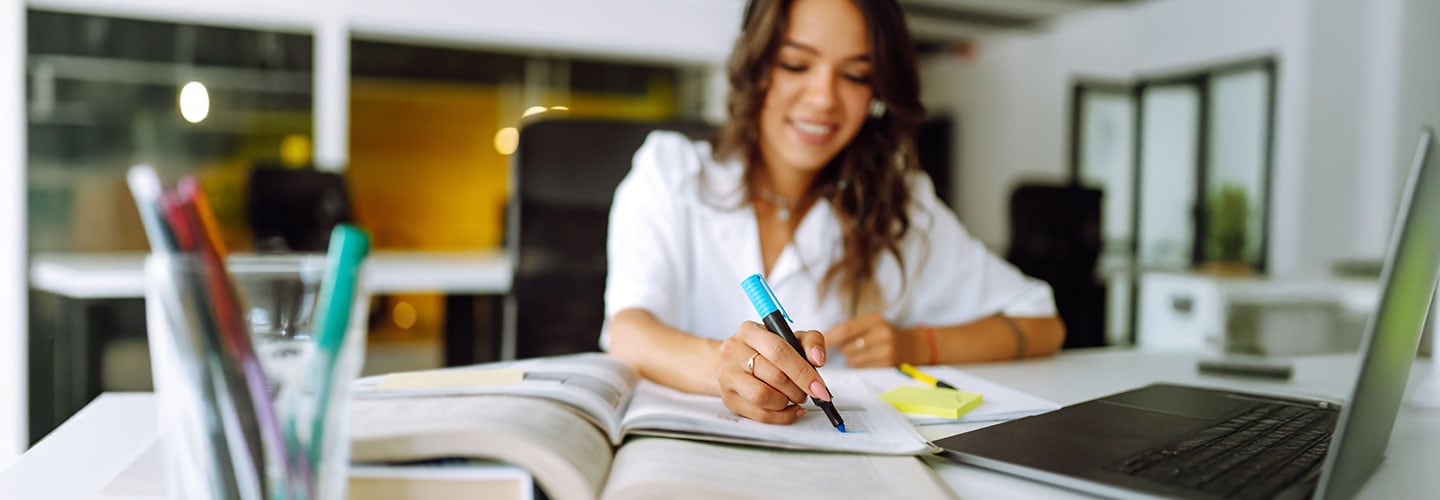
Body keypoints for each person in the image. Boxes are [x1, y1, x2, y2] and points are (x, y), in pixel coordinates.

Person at [602, 0, 1066, 425]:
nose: (824, 97)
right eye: (796, 64)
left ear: (877, 90)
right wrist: (725, 368)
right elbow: (627, 332)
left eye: (856, 75)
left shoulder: (902, 206)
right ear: (758, 67)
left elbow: (1043, 324)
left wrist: (916, 344)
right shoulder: (671, 173)